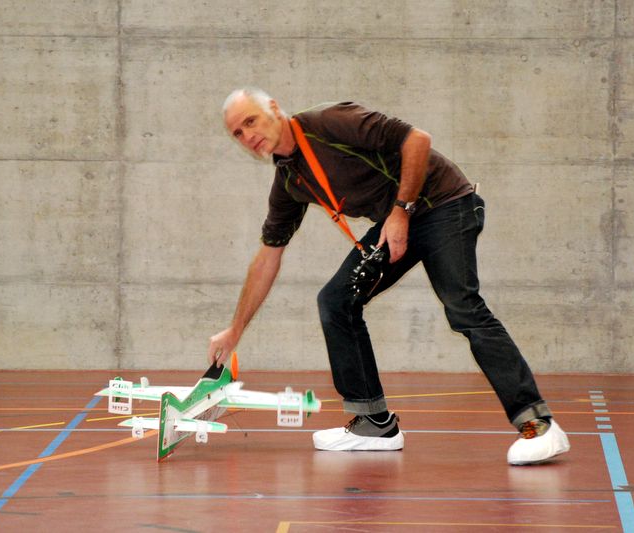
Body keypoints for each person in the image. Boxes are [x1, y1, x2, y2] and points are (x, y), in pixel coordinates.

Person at [207, 87, 570, 465]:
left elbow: (417, 139)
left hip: (445, 203)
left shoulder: (328, 122)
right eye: (237, 133)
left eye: (251, 121)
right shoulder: (289, 180)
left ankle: (538, 424)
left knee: (462, 307)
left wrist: (400, 211)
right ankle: (374, 424)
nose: (248, 135)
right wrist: (235, 330)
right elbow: (268, 257)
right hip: (399, 221)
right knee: (336, 301)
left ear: (273, 108)